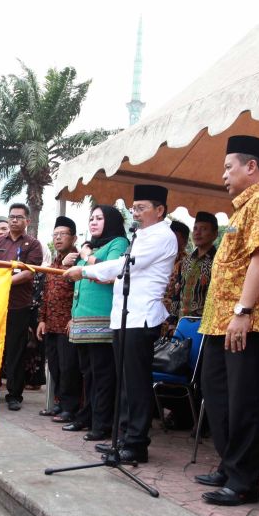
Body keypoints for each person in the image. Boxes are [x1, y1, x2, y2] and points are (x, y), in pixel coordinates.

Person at [194, 136, 259, 505]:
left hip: (250, 320)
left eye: (228, 167)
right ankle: (230, 463)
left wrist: (243, 311)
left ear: (251, 167)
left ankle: (244, 480)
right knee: (217, 391)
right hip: (222, 320)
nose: (223, 175)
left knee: (246, 399)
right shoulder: (242, 208)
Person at [64, 185, 178, 463]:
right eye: (133, 208)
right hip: (126, 317)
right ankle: (123, 437)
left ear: (160, 210)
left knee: (136, 384)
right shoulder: (141, 235)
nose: (135, 213)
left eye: (141, 208)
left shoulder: (163, 235)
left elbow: (124, 266)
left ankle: (136, 442)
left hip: (141, 318)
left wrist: (84, 270)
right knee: (124, 383)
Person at [61, 205, 129, 441]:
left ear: (110, 221)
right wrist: (73, 315)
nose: (94, 222)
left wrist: (86, 256)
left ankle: (102, 424)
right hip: (82, 318)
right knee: (87, 373)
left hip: (102, 318)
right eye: (91, 218)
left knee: (102, 374)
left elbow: (109, 274)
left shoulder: (118, 242)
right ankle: (87, 417)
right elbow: (79, 283)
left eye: (99, 218)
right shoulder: (92, 247)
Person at [0, 204, 45, 411]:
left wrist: (4, 281)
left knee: (15, 350)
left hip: (19, 306)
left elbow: (29, 272)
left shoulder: (33, 245)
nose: (14, 220)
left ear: (27, 220)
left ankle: (14, 394)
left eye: (19, 217)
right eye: (11, 217)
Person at [37, 216, 83, 422]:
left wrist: (75, 318)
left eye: (62, 234)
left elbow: (80, 290)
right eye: (55, 235)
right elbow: (47, 293)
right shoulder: (54, 262)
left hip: (67, 323)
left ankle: (70, 408)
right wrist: (42, 319)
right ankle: (59, 403)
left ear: (73, 237)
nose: (57, 238)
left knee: (69, 368)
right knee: (54, 367)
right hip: (51, 324)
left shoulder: (79, 260)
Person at [179, 212, 219, 319]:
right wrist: (173, 319)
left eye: (204, 229)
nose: (197, 233)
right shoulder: (186, 261)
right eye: (195, 228)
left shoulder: (218, 262)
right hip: (181, 322)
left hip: (204, 324)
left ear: (215, 234)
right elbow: (178, 291)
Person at [162, 219, 191, 333]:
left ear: (185, 241)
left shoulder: (187, 262)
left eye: (174, 237)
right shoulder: (159, 257)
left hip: (172, 319)